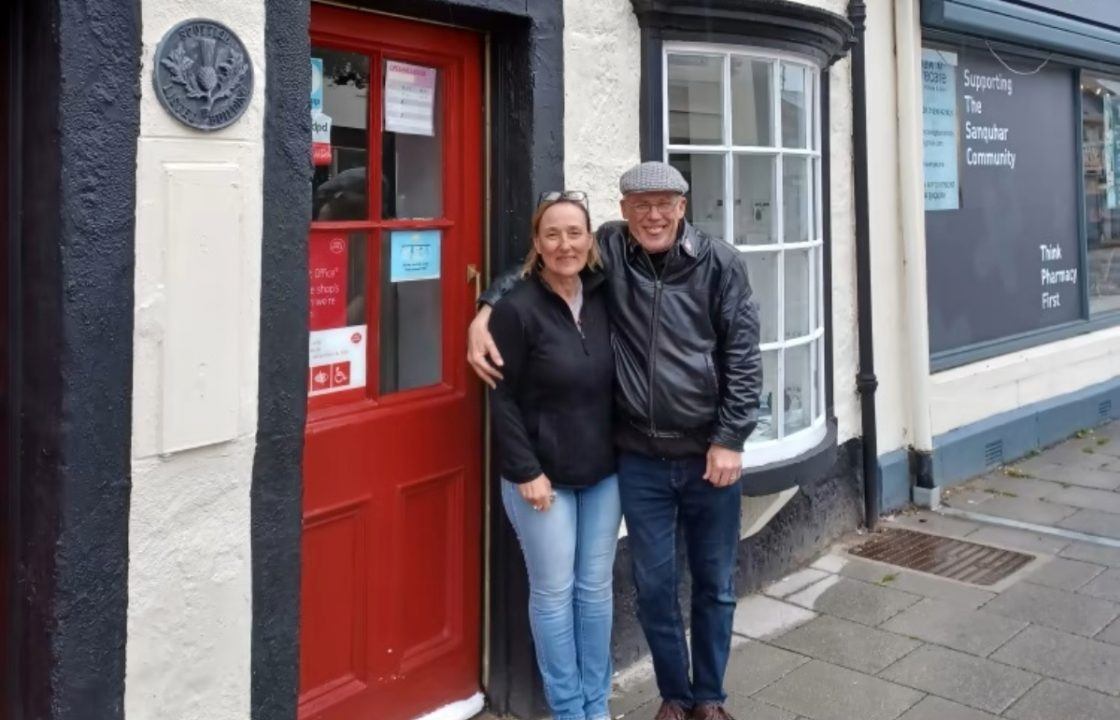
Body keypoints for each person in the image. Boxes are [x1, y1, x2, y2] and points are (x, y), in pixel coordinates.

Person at [470, 163, 761, 720]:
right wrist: (486, 307)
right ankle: (674, 696)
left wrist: (730, 437)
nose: (653, 215)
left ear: (683, 206)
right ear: (624, 212)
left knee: (715, 585)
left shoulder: (720, 263)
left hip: (709, 455)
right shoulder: (611, 250)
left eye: (664, 203)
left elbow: (743, 357)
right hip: (641, 458)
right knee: (652, 589)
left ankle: (710, 700)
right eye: (640, 204)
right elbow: (549, 259)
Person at [490, 192, 621, 720]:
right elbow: (500, 399)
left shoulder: (605, 294)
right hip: (542, 479)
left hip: (604, 473)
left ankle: (597, 703)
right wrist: (527, 471)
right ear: (537, 244)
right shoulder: (517, 308)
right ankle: (568, 710)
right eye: (552, 234)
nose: (564, 244)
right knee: (554, 593)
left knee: (595, 592)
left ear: (590, 240)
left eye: (574, 233)